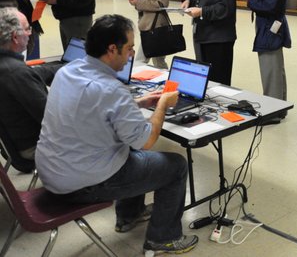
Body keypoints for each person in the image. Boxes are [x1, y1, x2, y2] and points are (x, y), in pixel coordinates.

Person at [35, 14, 198, 255]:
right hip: (80, 185)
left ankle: (129, 216)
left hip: (51, 170)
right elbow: (146, 141)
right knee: (175, 166)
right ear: (112, 49)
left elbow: (95, 109)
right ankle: (164, 238)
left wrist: (139, 103)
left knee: (125, 145)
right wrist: (162, 104)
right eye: (130, 48)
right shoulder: (112, 90)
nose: (132, 54)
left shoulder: (68, 70)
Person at [0, 7, 60, 159]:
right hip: (34, 147)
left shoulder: (8, 66)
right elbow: (53, 119)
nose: (30, 33)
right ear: (15, 37)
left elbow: (35, 73)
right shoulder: (17, 73)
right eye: (27, 29)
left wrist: (65, 67)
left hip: (15, 142)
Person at [182, 0, 236, 85]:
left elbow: (223, 8)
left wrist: (201, 12)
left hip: (218, 39)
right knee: (206, 79)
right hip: (206, 37)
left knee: (218, 80)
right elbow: (205, 1)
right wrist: (190, 1)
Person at [245, 0, 291, 102]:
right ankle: (278, 108)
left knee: (271, 70)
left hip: (271, 28)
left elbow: (272, 6)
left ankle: (274, 110)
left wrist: (251, 1)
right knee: (271, 70)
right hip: (265, 26)